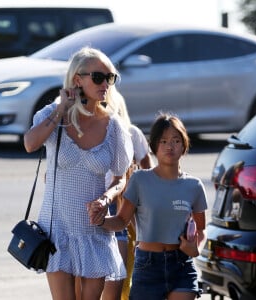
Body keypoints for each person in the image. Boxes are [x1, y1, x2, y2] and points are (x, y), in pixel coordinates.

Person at [24, 47, 133, 300]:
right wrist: (61, 108)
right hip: (56, 231)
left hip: (93, 231)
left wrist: (106, 199)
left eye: (110, 78)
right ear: (77, 80)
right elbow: (30, 144)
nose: (105, 83)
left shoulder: (113, 126)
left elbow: (120, 177)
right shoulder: (53, 115)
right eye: (98, 77)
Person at [88, 113, 208, 300]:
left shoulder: (194, 186)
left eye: (176, 140)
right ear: (154, 146)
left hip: (182, 266)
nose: (170, 146)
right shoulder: (140, 180)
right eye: (164, 141)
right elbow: (121, 221)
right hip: (148, 267)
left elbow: (201, 229)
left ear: (184, 145)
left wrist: (196, 248)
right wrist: (100, 220)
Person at [101, 89, 153, 300]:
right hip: (100, 200)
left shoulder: (131, 132)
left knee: (120, 270)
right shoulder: (90, 132)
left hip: (123, 203)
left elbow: (148, 169)